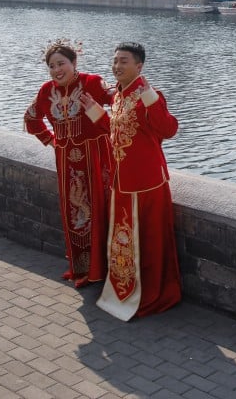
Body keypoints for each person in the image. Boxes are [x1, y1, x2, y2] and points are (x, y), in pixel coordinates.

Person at [81, 41, 182, 320]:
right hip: (122, 181)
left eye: (123, 61)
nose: (117, 66)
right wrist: (95, 111)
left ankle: (149, 294)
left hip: (146, 183)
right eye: (115, 61)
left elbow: (169, 129)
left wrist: (151, 97)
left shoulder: (150, 95)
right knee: (125, 241)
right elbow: (117, 131)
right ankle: (124, 289)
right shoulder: (119, 96)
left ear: (139, 66)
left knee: (148, 241)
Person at [24, 39, 114, 288]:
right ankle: (80, 267)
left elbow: (119, 105)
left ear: (74, 63)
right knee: (74, 212)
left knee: (100, 208)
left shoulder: (93, 83)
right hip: (67, 162)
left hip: (96, 158)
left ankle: (104, 267)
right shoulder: (45, 91)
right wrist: (52, 141)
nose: (56, 70)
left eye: (61, 63)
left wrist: (101, 113)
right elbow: (31, 119)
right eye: (51, 66)